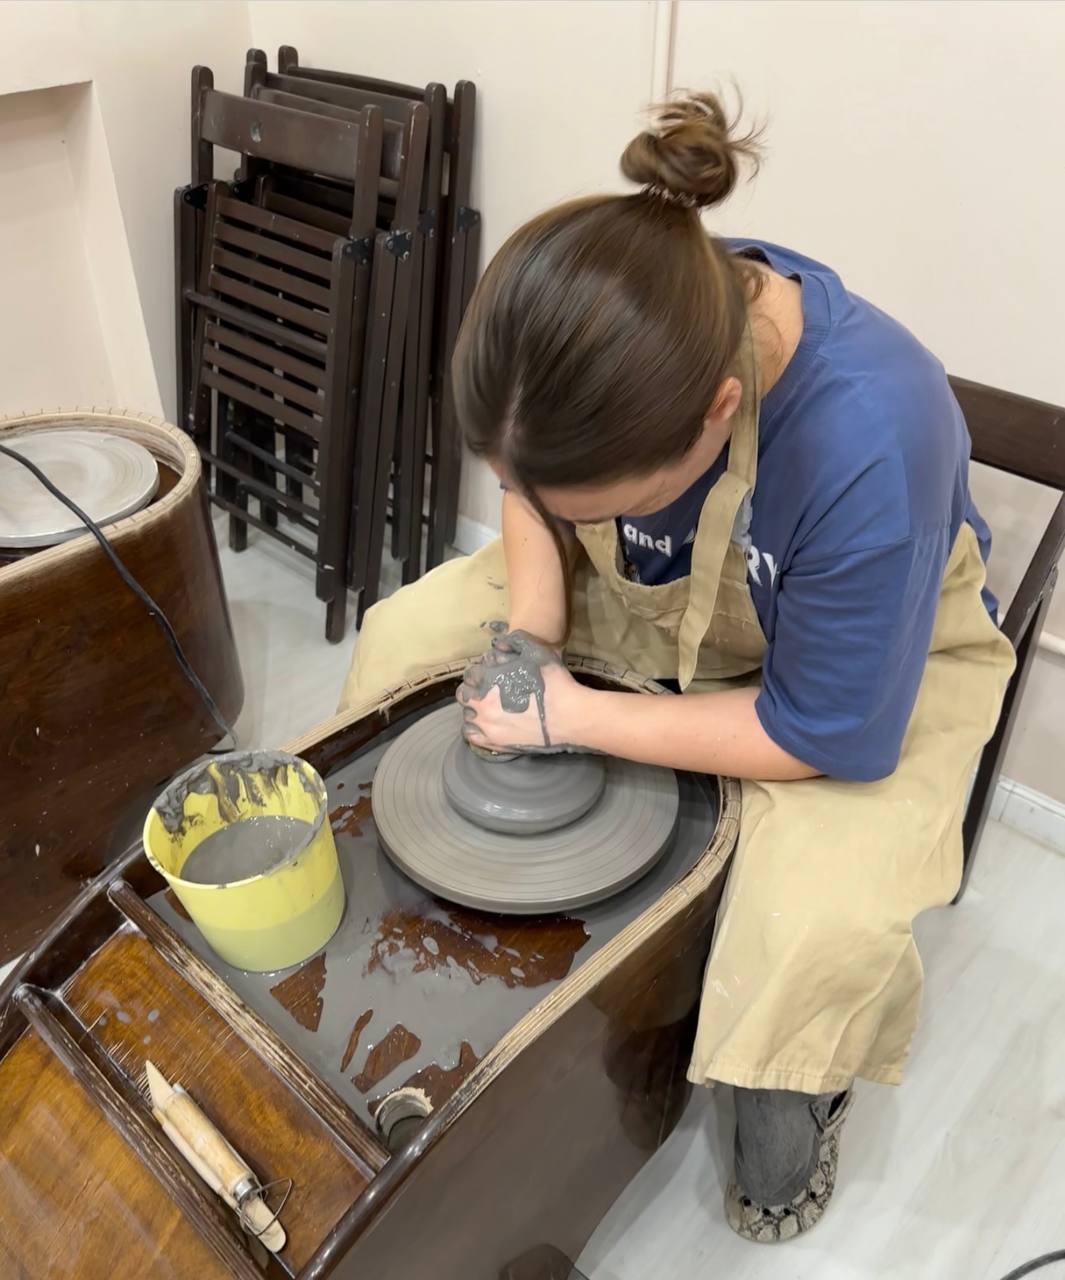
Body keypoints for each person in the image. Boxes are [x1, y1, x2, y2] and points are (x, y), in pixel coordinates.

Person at [340, 93, 1014, 1243]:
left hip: (854, 654)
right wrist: (531, 636)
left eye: (580, 491)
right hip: (636, 578)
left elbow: (820, 728)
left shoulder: (870, 438)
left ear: (718, 412)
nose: (532, 495)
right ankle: (437, 950)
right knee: (402, 642)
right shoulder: (585, 318)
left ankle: (785, 1117)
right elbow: (532, 487)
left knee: (805, 924)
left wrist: (574, 719)